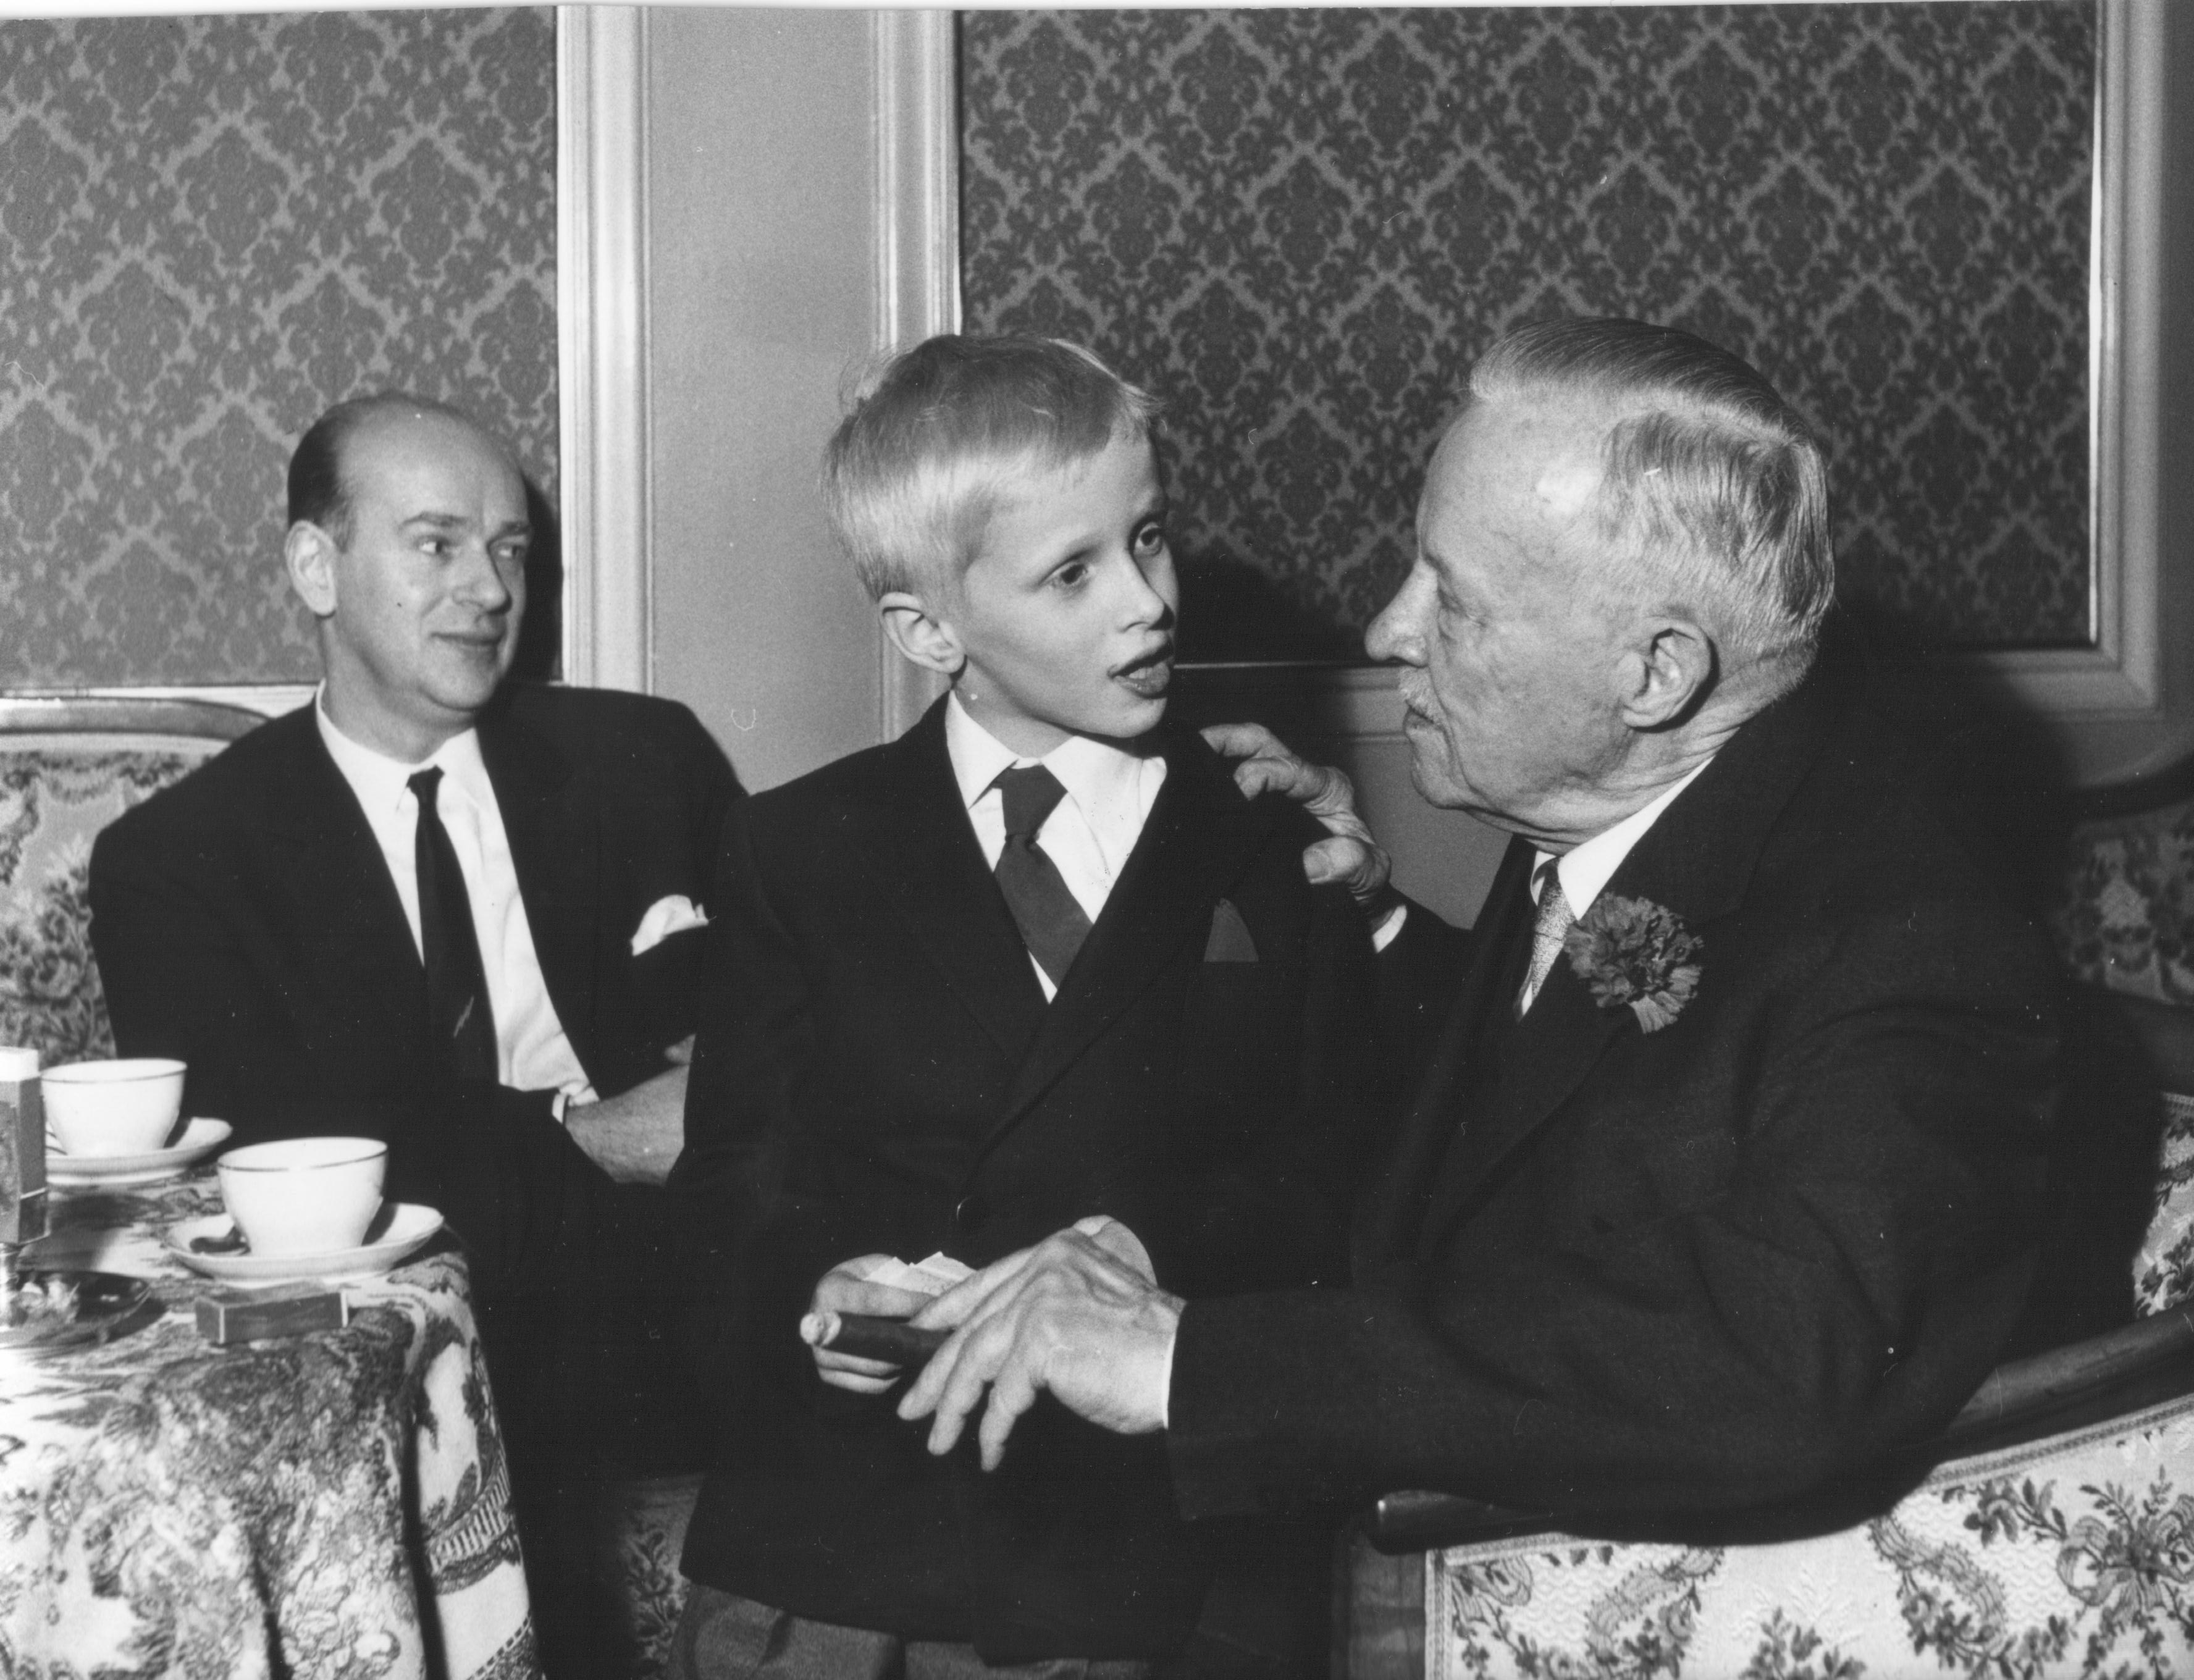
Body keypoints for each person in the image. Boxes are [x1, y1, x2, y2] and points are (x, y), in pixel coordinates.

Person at [896, 317, 2062, 1537]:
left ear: (1654, 675)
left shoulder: (1917, 939)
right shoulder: (1654, 813)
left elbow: (1777, 1363)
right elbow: (1561, 1100)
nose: (1386, 631)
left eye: (1452, 603)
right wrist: (1375, 927)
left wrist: (1191, 1364)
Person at [666, 335, 1382, 1678]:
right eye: (1074, 573)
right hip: (854, 1539)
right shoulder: (799, 847)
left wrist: (1148, 1241)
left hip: (1152, 1553)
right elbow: (734, 1193)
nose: (1149, 603)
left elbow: (1337, 1172)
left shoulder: (1265, 834)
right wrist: (819, 1299)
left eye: (1150, 538)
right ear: (931, 631)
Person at [88, 392, 740, 1673]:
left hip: (678, 1306)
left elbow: (781, 1015)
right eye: (437, 545)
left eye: (509, 550)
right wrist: (594, 1132)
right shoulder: (181, 859)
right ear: (316, 567)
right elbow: (286, 1151)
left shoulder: (643, 759)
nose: (489, 591)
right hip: (395, 1339)